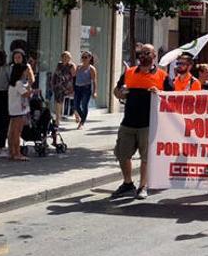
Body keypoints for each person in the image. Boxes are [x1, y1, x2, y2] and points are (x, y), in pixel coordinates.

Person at [110, 44, 173, 200]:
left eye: (147, 53)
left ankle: (143, 186)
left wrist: (159, 93)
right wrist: (121, 92)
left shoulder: (162, 76)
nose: (143, 56)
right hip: (128, 122)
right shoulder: (129, 73)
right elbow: (116, 91)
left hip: (149, 124)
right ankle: (127, 183)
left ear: (154, 56)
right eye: (141, 53)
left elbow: (172, 98)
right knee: (122, 154)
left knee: (146, 157)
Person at [7, 62, 31, 161]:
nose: (26, 73)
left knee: (12, 132)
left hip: (13, 109)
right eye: (25, 71)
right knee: (17, 132)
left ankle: (12, 151)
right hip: (18, 110)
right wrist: (31, 89)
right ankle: (17, 152)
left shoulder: (12, 83)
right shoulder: (18, 83)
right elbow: (26, 94)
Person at [73, 52, 98, 129]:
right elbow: (75, 77)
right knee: (76, 105)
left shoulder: (91, 69)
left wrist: (95, 92)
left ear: (90, 58)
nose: (83, 59)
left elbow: (94, 81)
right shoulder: (78, 67)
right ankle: (82, 118)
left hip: (86, 89)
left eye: (85, 57)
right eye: (82, 57)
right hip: (77, 88)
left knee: (84, 105)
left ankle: (82, 123)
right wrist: (72, 88)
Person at [51, 52, 76, 126]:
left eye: (67, 57)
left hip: (68, 87)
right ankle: (57, 120)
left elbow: (74, 77)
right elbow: (55, 74)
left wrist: (74, 88)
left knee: (72, 103)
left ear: (70, 58)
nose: (65, 58)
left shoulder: (71, 66)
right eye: (64, 57)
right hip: (58, 87)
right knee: (58, 102)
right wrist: (52, 83)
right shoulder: (59, 64)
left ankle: (77, 116)